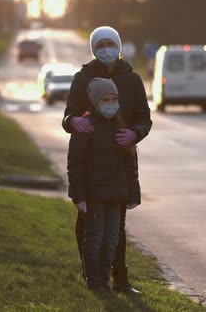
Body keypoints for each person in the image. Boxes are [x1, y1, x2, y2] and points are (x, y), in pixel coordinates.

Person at [62, 26, 152, 294]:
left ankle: (119, 279)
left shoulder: (132, 80)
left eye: (109, 44)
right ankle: (91, 276)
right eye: (99, 46)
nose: (105, 50)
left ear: (118, 46)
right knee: (88, 223)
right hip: (91, 158)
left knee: (117, 224)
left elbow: (144, 118)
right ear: (93, 49)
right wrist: (72, 121)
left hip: (120, 158)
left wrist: (135, 134)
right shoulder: (83, 77)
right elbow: (69, 114)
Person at [67, 78, 141, 292]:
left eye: (114, 99)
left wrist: (132, 194)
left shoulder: (121, 126)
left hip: (116, 195)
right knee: (94, 237)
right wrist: (78, 195)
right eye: (105, 100)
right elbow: (76, 165)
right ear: (94, 101)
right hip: (94, 194)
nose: (110, 103)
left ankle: (102, 277)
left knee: (112, 239)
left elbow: (130, 165)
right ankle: (94, 281)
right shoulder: (85, 126)